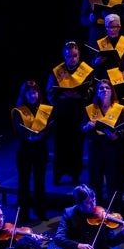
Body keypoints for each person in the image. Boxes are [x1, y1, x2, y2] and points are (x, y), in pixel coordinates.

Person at [48, 40, 94, 186]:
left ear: (79, 55)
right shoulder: (58, 71)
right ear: (64, 56)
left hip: (78, 112)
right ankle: (58, 174)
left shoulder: (86, 70)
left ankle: (75, 174)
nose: (72, 59)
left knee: (76, 145)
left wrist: (82, 95)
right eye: (69, 56)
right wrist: (64, 95)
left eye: (74, 56)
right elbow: (50, 91)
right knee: (60, 144)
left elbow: (92, 89)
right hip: (62, 112)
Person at [11, 79, 52, 221]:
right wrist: (30, 137)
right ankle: (23, 215)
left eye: (35, 92)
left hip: (40, 149)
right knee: (24, 183)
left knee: (40, 182)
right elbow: (18, 129)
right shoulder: (19, 111)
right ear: (24, 94)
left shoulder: (44, 109)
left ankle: (40, 212)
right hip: (25, 150)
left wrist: (42, 134)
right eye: (29, 93)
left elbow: (49, 127)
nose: (33, 95)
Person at [82, 79, 124, 205]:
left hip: (112, 149)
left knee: (113, 181)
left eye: (107, 88)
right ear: (97, 92)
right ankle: (96, 210)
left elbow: (123, 130)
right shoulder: (91, 109)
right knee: (95, 181)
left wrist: (115, 135)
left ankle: (115, 212)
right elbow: (83, 128)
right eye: (101, 88)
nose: (105, 90)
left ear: (112, 91)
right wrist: (87, 127)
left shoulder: (119, 108)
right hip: (96, 148)